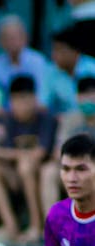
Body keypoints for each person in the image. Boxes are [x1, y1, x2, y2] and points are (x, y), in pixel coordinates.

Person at [0, 75, 57, 243]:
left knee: (26, 165)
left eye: (24, 100)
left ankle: (36, 225)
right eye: (16, 101)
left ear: (34, 99)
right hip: (15, 178)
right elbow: (7, 152)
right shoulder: (9, 120)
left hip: (39, 176)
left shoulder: (46, 119)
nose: (20, 106)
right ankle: (11, 226)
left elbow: (39, 154)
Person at [42, 76, 95, 211]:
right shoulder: (69, 120)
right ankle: (52, 227)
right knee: (48, 171)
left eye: (91, 94)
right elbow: (57, 152)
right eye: (83, 94)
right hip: (73, 167)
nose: (88, 99)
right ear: (77, 97)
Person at [0, 15, 51, 108]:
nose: (12, 41)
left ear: (25, 37)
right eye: (7, 38)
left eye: (15, 37)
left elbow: (43, 96)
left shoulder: (37, 61)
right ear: (0, 41)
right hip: (6, 115)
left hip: (34, 113)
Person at [48, 24, 95, 116]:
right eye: (53, 50)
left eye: (59, 50)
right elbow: (43, 106)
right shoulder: (51, 71)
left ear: (74, 51)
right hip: (65, 123)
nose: (54, 55)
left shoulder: (93, 69)